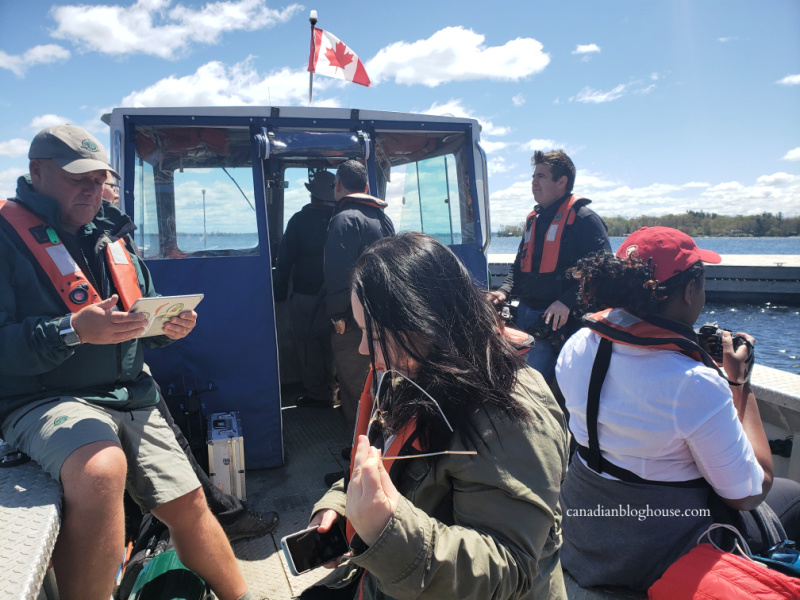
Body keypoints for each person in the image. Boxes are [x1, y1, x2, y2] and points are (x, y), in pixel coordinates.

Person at [0, 125, 257, 600]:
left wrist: (166, 326)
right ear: (36, 172)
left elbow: (143, 313)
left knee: (190, 502)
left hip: (129, 395)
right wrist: (71, 330)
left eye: (99, 180)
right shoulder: (6, 236)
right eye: (79, 178)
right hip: (46, 399)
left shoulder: (111, 236)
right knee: (102, 469)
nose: (92, 190)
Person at [301, 232, 569, 600]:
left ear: (424, 322)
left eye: (373, 334)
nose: (364, 349)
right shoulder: (412, 375)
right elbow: (383, 465)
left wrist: (387, 528)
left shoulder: (512, 414)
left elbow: (511, 568)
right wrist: (338, 506)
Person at [555, 226, 799, 591]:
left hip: (586, 533)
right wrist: (739, 384)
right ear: (689, 290)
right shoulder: (694, 384)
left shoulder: (577, 345)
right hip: (652, 552)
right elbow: (747, 494)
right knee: (791, 492)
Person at [488, 150, 610, 383]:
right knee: (513, 382)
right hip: (524, 316)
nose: (534, 182)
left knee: (534, 386)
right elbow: (518, 267)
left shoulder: (585, 220)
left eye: (541, 176)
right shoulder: (534, 220)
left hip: (557, 324)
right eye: (533, 176)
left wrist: (566, 301)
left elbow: (603, 271)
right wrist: (503, 291)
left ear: (562, 182)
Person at [324, 159, 394, 425]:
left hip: (353, 322)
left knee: (355, 385)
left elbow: (338, 272)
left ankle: (360, 445)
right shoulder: (381, 218)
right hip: (382, 318)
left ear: (338, 185)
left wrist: (338, 316)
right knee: (378, 382)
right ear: (366, 186)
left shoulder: (343, 219)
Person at [274, 170, 338, 408]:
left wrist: (279, 292)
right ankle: (335, 391)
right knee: (333, 343)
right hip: (337, 295)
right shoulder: (341, 219)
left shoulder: (300, 221)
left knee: (308, 343)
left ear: (313, 194)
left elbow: (284, 260)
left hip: (306, 294)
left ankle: (318, 394)